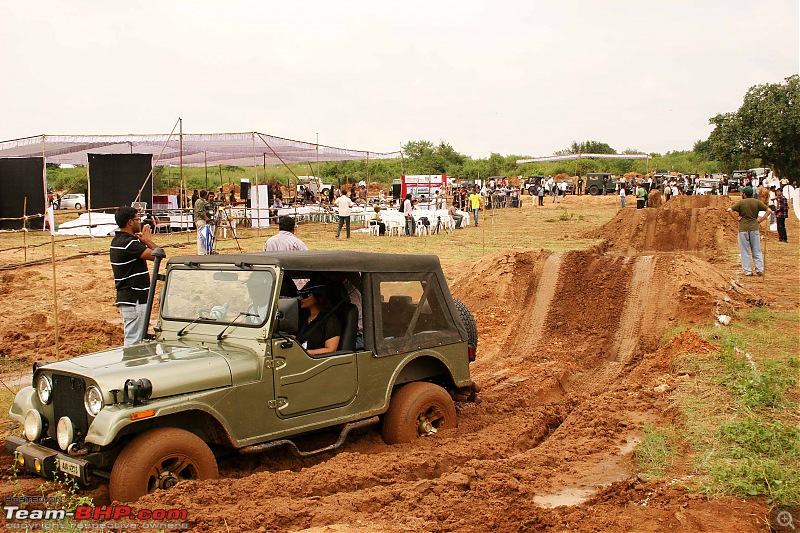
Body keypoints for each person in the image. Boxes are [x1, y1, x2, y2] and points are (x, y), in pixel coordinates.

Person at [110, 206, 159, 346]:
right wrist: (148, 241)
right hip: (134, 299)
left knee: (135, 339)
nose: (140, 222)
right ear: (130, 222)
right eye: (138, 219)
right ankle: (131, 365)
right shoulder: (129, 243)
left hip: (129, 299)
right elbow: (158, 255)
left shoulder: (118, 241)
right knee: (134, 342)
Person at [727, 187, 772, 276]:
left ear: (744, 194)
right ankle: (760, 270)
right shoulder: (757, 202)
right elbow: (769, 211)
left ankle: (748, 271)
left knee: (745, 250)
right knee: (756, 250)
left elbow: (729, 210)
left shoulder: (741, 203)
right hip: (754, 228)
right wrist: (760, 220)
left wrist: (736, 219)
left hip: (743, 228)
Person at [296, 283, 341, 356]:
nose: (301, 299)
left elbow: (331, 349)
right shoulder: (305, 317)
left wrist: (305, 352)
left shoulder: (330, 320)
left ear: (317, 298)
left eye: (305, 296)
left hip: (316, 361)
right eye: (301, 296)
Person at [194, 190, 213, 254]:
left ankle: (203, 251)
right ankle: (201, 252)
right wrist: (206, 218)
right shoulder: (200, 202)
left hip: (198, 220)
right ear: (205, 195)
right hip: (200, 220)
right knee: (201, 237)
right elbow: (200, 212)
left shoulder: (198, 201)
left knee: (200, 236)